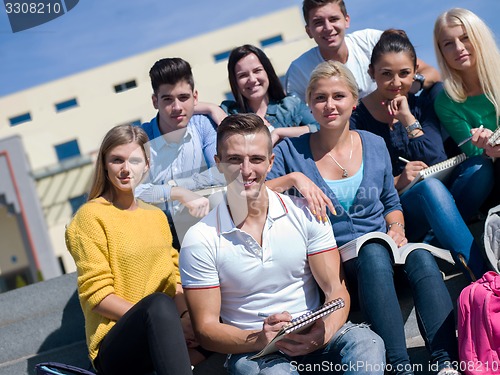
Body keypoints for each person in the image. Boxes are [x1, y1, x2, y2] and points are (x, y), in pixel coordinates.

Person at [266, 61, 460, 375]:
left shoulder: (374, 143)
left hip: (385, 256)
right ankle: (399, 367)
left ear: (354, 101)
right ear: (310, 105)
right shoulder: (291, 151)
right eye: (320, 97)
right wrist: (295, 180)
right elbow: (253, 194)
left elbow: (390, 201)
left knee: (422, 256)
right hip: (337, 266)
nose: (329, 104)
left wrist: (396, 225)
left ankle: (446, 364)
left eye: (338, 96)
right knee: (372, 251)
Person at [180, 113, 385, 375]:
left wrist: (323, 333)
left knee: (368, 344)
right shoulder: (199, 238)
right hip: (254, 351)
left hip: (315, 333)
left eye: (256, 159)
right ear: (218, 164)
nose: (246, 170)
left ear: (270, 162)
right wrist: (259, 338)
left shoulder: (307, 213)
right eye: (234, 159)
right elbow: (206, 329)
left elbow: (336, 290)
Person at [349, 29, 487, 280]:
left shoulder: (420, 103)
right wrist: (398, 181)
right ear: (372, 73)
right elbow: (360, 184)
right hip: (399, 211)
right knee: (430, 189)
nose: (396, 83)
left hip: (443, 198)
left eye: (404, 74)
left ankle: (441, 237)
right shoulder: (356, 119)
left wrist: (408, 119)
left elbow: (436, 159)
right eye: (386, 74)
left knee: (481, 169)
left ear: (415, 72)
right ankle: (482, 275)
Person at [65, 124, 195, 375]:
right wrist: (164, 323)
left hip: (163, 328)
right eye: (117, 160)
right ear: (104, 165)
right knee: (157, 306)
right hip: (116, 344)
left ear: (146, 165)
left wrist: (186, 318)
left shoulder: (156, 216)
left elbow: (174, 280)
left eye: (134, 160)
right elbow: (98, 296)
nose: (126, 169)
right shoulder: (90, 217)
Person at [135, 57, 225, 249]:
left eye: (184, 98)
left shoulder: (203, 125)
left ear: (195, 97)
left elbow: (222, 173)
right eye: (167, 99)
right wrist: (177, 193)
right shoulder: (141, 138)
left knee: (224, 199)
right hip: (157, 234)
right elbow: (131, 190)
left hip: (202, 223)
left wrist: (179, 185)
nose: (177, 108)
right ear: (155, 101)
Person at [285, 0, 440, 102]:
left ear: (346, 20)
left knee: (439, 92)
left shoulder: (371, 41)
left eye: (333, 19)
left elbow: (431, 72)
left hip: (395, 118)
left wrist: (411, 85)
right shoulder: (299, 71)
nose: (328, 28)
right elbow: (298, 117)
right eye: (318, 22)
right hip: (344, 138)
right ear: (308, 31)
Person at [433, 7, 499, 209]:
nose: (459, 47)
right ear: (442, 52)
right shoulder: (445, 101)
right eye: (448, 44)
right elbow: (472, 152)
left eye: (465, 37)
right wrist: (488, 148)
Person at [220, 44, 319, 145]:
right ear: (235, 81)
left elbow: (320, 127)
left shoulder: (291, 106)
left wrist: (279, 133)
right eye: (243, 75)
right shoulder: (230, 113)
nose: (252, 79)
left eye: (257, 71)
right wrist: (210, 108)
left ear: (267, 72)